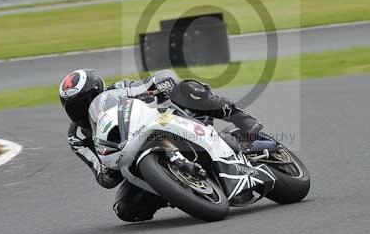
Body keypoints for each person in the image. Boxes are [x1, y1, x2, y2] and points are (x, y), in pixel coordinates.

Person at [58, 68, 263, 222]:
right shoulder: (76, 137)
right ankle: (177, 189)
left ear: (98, 91)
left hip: (166, 123)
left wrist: (159, 85)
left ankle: (242, 119)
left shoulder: (119, 91)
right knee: (126, 210)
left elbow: (152, 82)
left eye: (85, 100)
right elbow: (102, 177)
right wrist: (108, 168)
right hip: (132, 162)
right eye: (73, 107)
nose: (81, 110)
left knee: (186, 89)